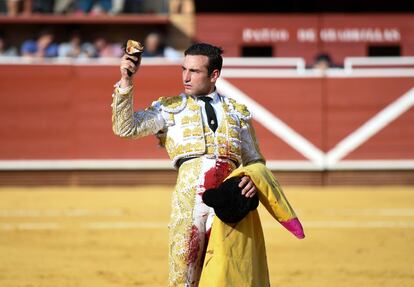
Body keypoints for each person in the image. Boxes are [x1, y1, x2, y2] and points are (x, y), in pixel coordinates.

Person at [111, 43, 264, 286]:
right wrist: (126, 81)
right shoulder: (171, 109)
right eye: (184, 69)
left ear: (214, 75)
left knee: (227, 275)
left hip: (228, 202)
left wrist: (252, 178)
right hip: (188, 200)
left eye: (194, 71)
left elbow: (256, 161)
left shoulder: (237, 112)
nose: (186, 76)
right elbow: (125, 128)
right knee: (184, 274)